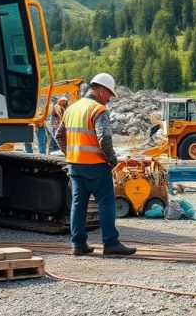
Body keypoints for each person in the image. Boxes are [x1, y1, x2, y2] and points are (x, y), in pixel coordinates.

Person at [55, 73, 135, 256]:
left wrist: (71, 153)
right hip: (96, 166)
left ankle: (78, 245)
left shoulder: (71, 109)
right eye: (109, 95)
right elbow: (104, 137)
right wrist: (112, 160)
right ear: (100, 90)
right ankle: (111, 243)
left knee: (78, 204)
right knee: (106, 202)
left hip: (75, 165)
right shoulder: (98, 110)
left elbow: (59, 135)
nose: (108, 100)